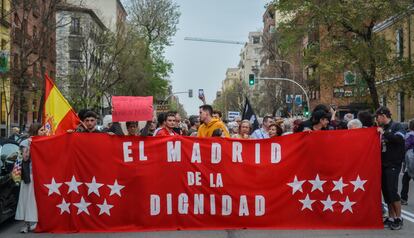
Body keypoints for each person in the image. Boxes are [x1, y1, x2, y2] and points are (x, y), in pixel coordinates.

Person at [376, 106, 405, 230]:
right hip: (383, 164)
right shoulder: (382, 128)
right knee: (386, 192)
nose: (377, 120)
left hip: (393, 164)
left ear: (383, 116)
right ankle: (391, 217)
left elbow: (399, 139)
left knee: (392, 191)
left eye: (378, 117)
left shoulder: (397, 126)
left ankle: (399, 218)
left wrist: (385, 133)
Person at [15, 123, 48, 233]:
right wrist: (30, 145)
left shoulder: (44, 140)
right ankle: (26, 224)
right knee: (27, 199)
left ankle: (39, 221)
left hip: (42, 175)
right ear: (36, 130)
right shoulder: (25, 142)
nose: (44, 132)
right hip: (30, 175)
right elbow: (24, 158)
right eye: (42, 130)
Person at [401, 119, 414, 206]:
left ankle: (403, 199)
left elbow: (405, 146)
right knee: (406, 178)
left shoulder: (410, 135)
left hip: (411, 161)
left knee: (405, 179)